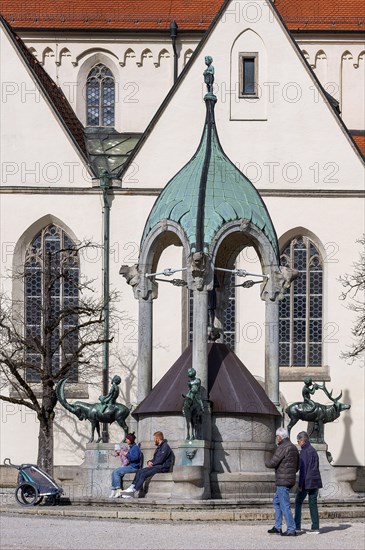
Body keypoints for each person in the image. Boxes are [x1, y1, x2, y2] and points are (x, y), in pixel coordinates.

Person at [265, 427, 299, 537]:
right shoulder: (293, 447)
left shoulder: (282, 447)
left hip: (282, 480)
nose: (276, 438)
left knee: (284, 505)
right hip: (289, 479)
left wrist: (266, 458)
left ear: (280, 437)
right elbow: (298, 465)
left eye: (276, 436)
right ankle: (278, 527)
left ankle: (291, 529)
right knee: (276, 502)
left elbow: (272, 463)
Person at [122, 431, 173, 498]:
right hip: (157, 466)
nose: (154, 440)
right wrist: (149, 461)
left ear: (158, 438)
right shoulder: (159, 447)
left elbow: (161, 459)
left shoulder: (165, 447)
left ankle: (133, 491)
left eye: (154, 438)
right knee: (139, 471)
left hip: (163, 467)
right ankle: (131, 487)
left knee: (144, 474)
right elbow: (155, 459)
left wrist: (153, 463)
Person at [294, 431, 323, 534]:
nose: (298, 443)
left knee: (298, 501)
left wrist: (300, 485)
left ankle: (297, 526)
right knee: (313, 504)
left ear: (302, 440)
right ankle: (315, 527)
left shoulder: (304, 451)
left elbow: (303, 469)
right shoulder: (313, 450)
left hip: (307, 481)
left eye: (298, 441)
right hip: (315, 481)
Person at [109, 433, 142, 498]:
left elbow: (135, 458)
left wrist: (126, 454)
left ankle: (118, 490)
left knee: (116, 472)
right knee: (114, 471)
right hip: (131, 466)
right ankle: (114, 490)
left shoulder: (135, 448)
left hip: (134, 467)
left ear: (130, 440)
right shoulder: (132, 447)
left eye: (127, 439)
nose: (126, 440)